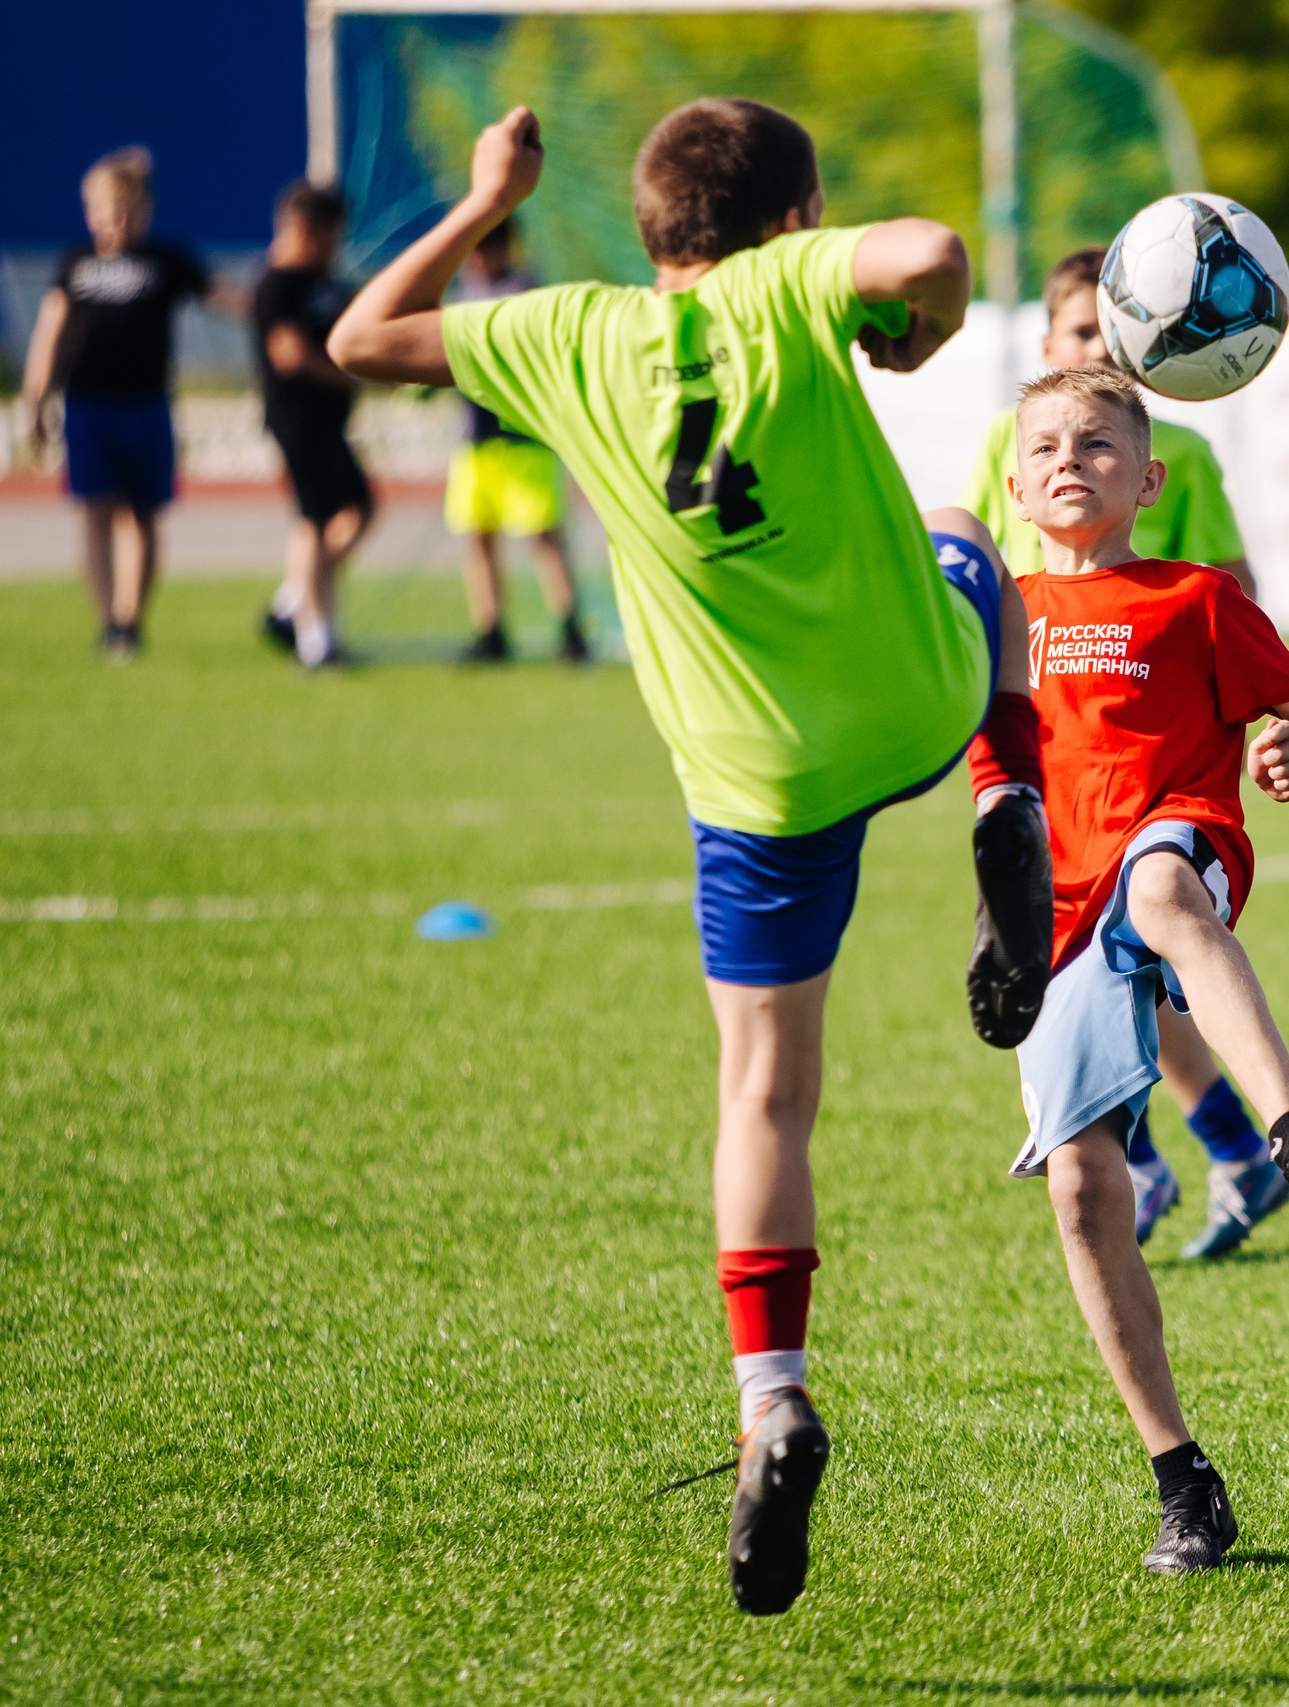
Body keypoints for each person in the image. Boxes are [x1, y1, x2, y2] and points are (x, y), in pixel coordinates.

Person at [327, 99, 1054, 1618]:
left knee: (764, 1087)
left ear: (655, 227)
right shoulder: (787, 287)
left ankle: (772, 1398)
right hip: (913, 699)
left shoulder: (566, 334)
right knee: (957, 532)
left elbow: (358, 342)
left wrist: (482, 202)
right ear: (790, 220)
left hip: (759, 781)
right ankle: (1006, 795)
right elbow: (930, 253)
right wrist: (907, 329)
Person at [1001, 362, 1289, 1575]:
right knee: (1080, 1192)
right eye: (1047, 445)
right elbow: (949, 757)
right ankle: (1183, 1479)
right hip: (1050, 908)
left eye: (1100, 444)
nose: (1072, 458)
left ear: (1148, 479)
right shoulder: (990, 614)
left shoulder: (1195, 598)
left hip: (1178, 839)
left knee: (1162, 885)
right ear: (1014, 484)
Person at [960, 247, 1279, 1258]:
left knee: (1144, 933)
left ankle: (1195, 1150)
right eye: (1078, 334)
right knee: (1073, 971)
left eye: (1111, 333)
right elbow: (976, 568)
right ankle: (1180, 1152)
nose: (1097, 349)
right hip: (1044, 754)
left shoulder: (1169, 452)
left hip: (1153, 757)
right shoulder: (1008, 446)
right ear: (1046, 344)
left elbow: (1223, 579)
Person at [19, 148, 212, 660]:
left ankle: (131, 620)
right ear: (90, 213)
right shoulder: (75, 263)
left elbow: (230, 299)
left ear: (144, 211)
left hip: (146, 404)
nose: (117, 219)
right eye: (107, 208)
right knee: (96, 511)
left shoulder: (166, 262)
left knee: (143, 515)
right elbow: (48, 333)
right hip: (88, 405)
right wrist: (35, 400)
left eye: (127, 207)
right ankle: (107, 621)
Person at [446, 217, 588, 664]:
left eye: (487, 249)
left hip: (523, 437)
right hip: (477, 439)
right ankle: (490, 628)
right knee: (478, 537)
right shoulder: (462, 294)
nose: (479, 259)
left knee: (543, 537)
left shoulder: (525, 293)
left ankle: (571, 628)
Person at [253, 183, 372, 668]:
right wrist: (348, 377)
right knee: (316, 521)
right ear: (303, 230)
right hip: (298, 419)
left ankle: (290, 604)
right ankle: (317, 640)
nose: (333, 247)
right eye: (328, 236)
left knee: (359, 508)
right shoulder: (277, 284)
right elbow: (289, 353)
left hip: (329, 422)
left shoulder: (327, 282)